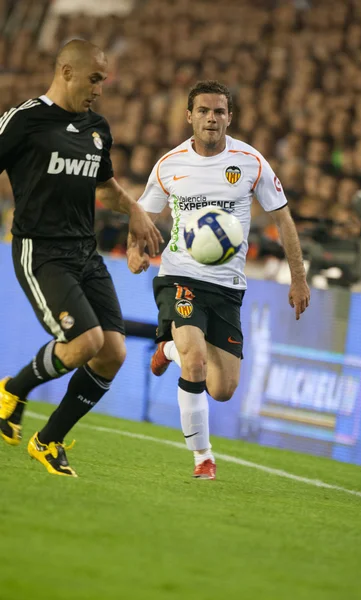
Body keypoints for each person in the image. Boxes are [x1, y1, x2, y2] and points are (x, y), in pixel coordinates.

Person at [127, 80, 310, 480]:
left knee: (222, 389)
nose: (212, 118)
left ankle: (167, 351)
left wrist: (298, 277)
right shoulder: (169, 164)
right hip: (180, 275)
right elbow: (143, 215)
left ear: (230, 117)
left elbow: (283, 218)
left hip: (227, 286)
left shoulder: (251, 161)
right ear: (189, 115)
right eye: (205, 111)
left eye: (220, 111)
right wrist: (134, 249)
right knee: (194, 361)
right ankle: (202, 457)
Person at [0, 39, 162, 477]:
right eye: (94, 78)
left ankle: (46, 439)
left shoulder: (97, 128)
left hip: (84, 252)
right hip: (41, 251)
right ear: (66, 72)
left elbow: (106, 189)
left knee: (112, 354)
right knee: (84, 343)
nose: (100, 88)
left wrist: (136, 211)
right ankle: (12, 391)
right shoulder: (24, 120)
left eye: (104, 81)